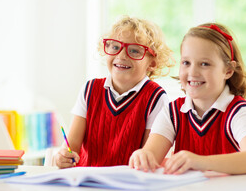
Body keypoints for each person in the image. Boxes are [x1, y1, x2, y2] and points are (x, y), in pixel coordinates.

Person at [129, 23, 246, 175]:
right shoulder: (172, 112)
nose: (193, 72)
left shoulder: (238, 111)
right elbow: (151, 154)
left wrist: (201, 162)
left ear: (228, 70)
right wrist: (142, 156)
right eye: (186, 63)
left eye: (204, 64)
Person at [54, 15, 175, 168]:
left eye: (134, 51)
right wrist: (63, 156)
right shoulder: (90, 89)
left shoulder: (156, 98)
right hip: (86, 182)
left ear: (152, 63)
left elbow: (148, 157)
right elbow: (71, 146)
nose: (122, 56)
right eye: (115, 47)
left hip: (128, 185)